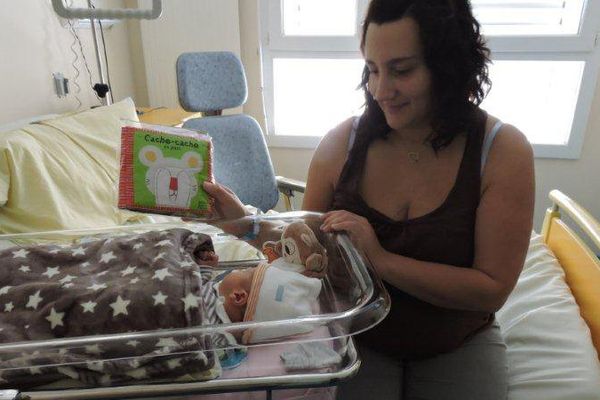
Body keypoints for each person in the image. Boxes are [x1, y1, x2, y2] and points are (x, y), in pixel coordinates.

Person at [203, 0, 534, 397]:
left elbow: (492, 288)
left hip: (456, 342)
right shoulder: (342, 144)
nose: (380, 90)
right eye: (372, 69)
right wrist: (245, 225)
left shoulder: (501, 152)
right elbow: (305, 254)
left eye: (401, 70)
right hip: (357, 335)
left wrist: (382, 261)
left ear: (448, 66)